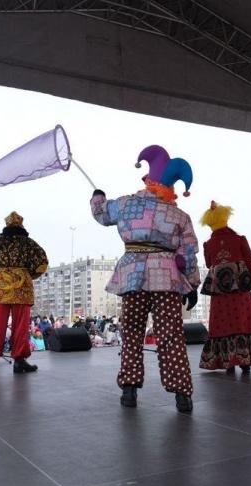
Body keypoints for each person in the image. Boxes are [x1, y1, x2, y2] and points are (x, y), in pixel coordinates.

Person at [90, 145, 200, 413]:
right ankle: (182, 395)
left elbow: (101, 213)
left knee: (132, 333)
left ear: (148, 179)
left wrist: (97, 197)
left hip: (132, 276)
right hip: (167, 280)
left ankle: (129, 390)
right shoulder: (180, 216)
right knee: (171, 336)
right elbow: (187, 253)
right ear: (171, 187)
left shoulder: (126, 204)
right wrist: (192, 284)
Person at [198, 201, 251, 374]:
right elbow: (250, 262)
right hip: (240, 288)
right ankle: (244, 361)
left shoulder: (208, 244)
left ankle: (228, 361)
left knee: (222, 323)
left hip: (219, 291)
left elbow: (209, 264)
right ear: (226, 220)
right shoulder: (239, 239)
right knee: (243, 322)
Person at [0, 212, 49, 374]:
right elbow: (42, 264)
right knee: (21, 326)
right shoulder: (29, 243)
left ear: (6, 225)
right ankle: (20, 361)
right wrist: (27, 274)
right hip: (23, 288)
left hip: (0, 289)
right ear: (21, 224)